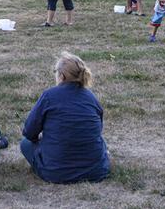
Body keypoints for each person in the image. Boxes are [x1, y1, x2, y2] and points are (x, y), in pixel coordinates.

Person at [21, 52, 109, 184]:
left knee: (25, 144)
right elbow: (97, 129)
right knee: (101, 141)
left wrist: (40, 139)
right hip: (96, 172)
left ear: (61, 76)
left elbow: (29, 132)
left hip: (56, 173)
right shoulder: (91, 97)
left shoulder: (49, 96)